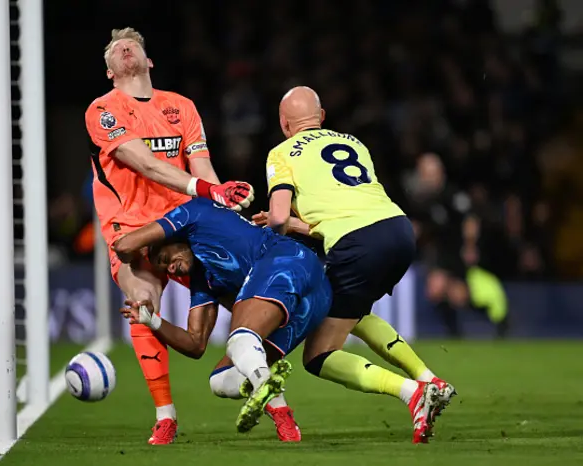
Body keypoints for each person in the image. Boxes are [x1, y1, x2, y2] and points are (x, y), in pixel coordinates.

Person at [253, 86, 456, 443]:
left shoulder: (281, 153)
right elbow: (341, 211)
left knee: (318, 354)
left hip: (357, 244)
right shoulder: (354, 142)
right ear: (322, 117)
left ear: (285, 124)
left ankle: (411, 392)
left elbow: (280, 217)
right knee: (351, 311)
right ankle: (428, 378)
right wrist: (300, 223)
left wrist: (273, 220)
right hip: (398, 230)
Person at [84, 27, 254, 445]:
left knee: (254, 301)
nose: (124, 48)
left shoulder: (180, 107)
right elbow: (145, 164)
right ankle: (165, 415)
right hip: (131, 227)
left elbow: (203, 170)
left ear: (149, 61)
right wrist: (208, 191)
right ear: (109, 70)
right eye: (114, 49)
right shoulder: (102, 110)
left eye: (132, 45)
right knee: (142, 302)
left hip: (186, 225)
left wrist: (229, 207)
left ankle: (270, 392)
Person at [112, 197, 333, 442]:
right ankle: (284, 418)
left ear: (172, 238)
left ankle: (269, 394)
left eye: (165, 259)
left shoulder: (193, 214)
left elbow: (123, 246)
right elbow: (195, 344)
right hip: (315, 300)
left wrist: (136, 253)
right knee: (222, 380)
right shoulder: (203, 280)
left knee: (239, 342)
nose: (170, 271)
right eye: (165, 271)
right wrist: (151, 320)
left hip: (288, 260)